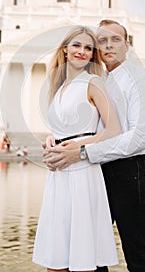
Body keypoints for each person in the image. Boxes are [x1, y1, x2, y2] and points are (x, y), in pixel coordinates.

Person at [43, 20, 145, 272]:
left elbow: (137, 138)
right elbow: (89, 125)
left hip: (130, 172)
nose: (108, 45)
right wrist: (60, 141)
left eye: (115, 39)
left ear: (126, 45)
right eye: (102, 41)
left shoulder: (140, 81)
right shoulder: (96, 79)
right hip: (94, 172)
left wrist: (83, 151)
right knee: (91, 253)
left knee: (138, 253)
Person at [32, 25, 122, 271]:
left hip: (83, 171)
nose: (82, 51)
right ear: (65, 49)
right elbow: (65, 127)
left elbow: (114, 130)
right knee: (55, 259)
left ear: (93, 55)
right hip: (58, 174)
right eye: (77, 45)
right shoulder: (58, 86)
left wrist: (76, 146)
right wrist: (52, 139)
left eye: (88, 48)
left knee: (82, 260)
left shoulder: (93, 83)